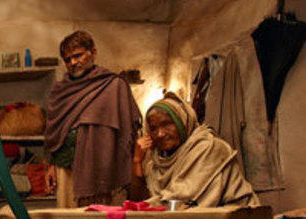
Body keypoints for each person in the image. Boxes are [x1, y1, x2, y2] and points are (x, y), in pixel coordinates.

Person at [45, 30, 142, 207]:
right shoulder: (60, 91)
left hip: (104, 173)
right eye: (68, 59)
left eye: (78, 55)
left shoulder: (114, 86)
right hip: (66, 171)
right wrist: (51, 165)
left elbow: (129, 130)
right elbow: (56, 133)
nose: (73, 62)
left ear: (93, 52)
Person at [133, 92, 260, 207]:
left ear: (183, 121)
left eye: (166, 124)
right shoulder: (157, 162)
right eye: (154, 128)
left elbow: (180, 202)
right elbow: (140, 202)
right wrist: (137, 161)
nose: (160, 134)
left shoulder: (208, 148)